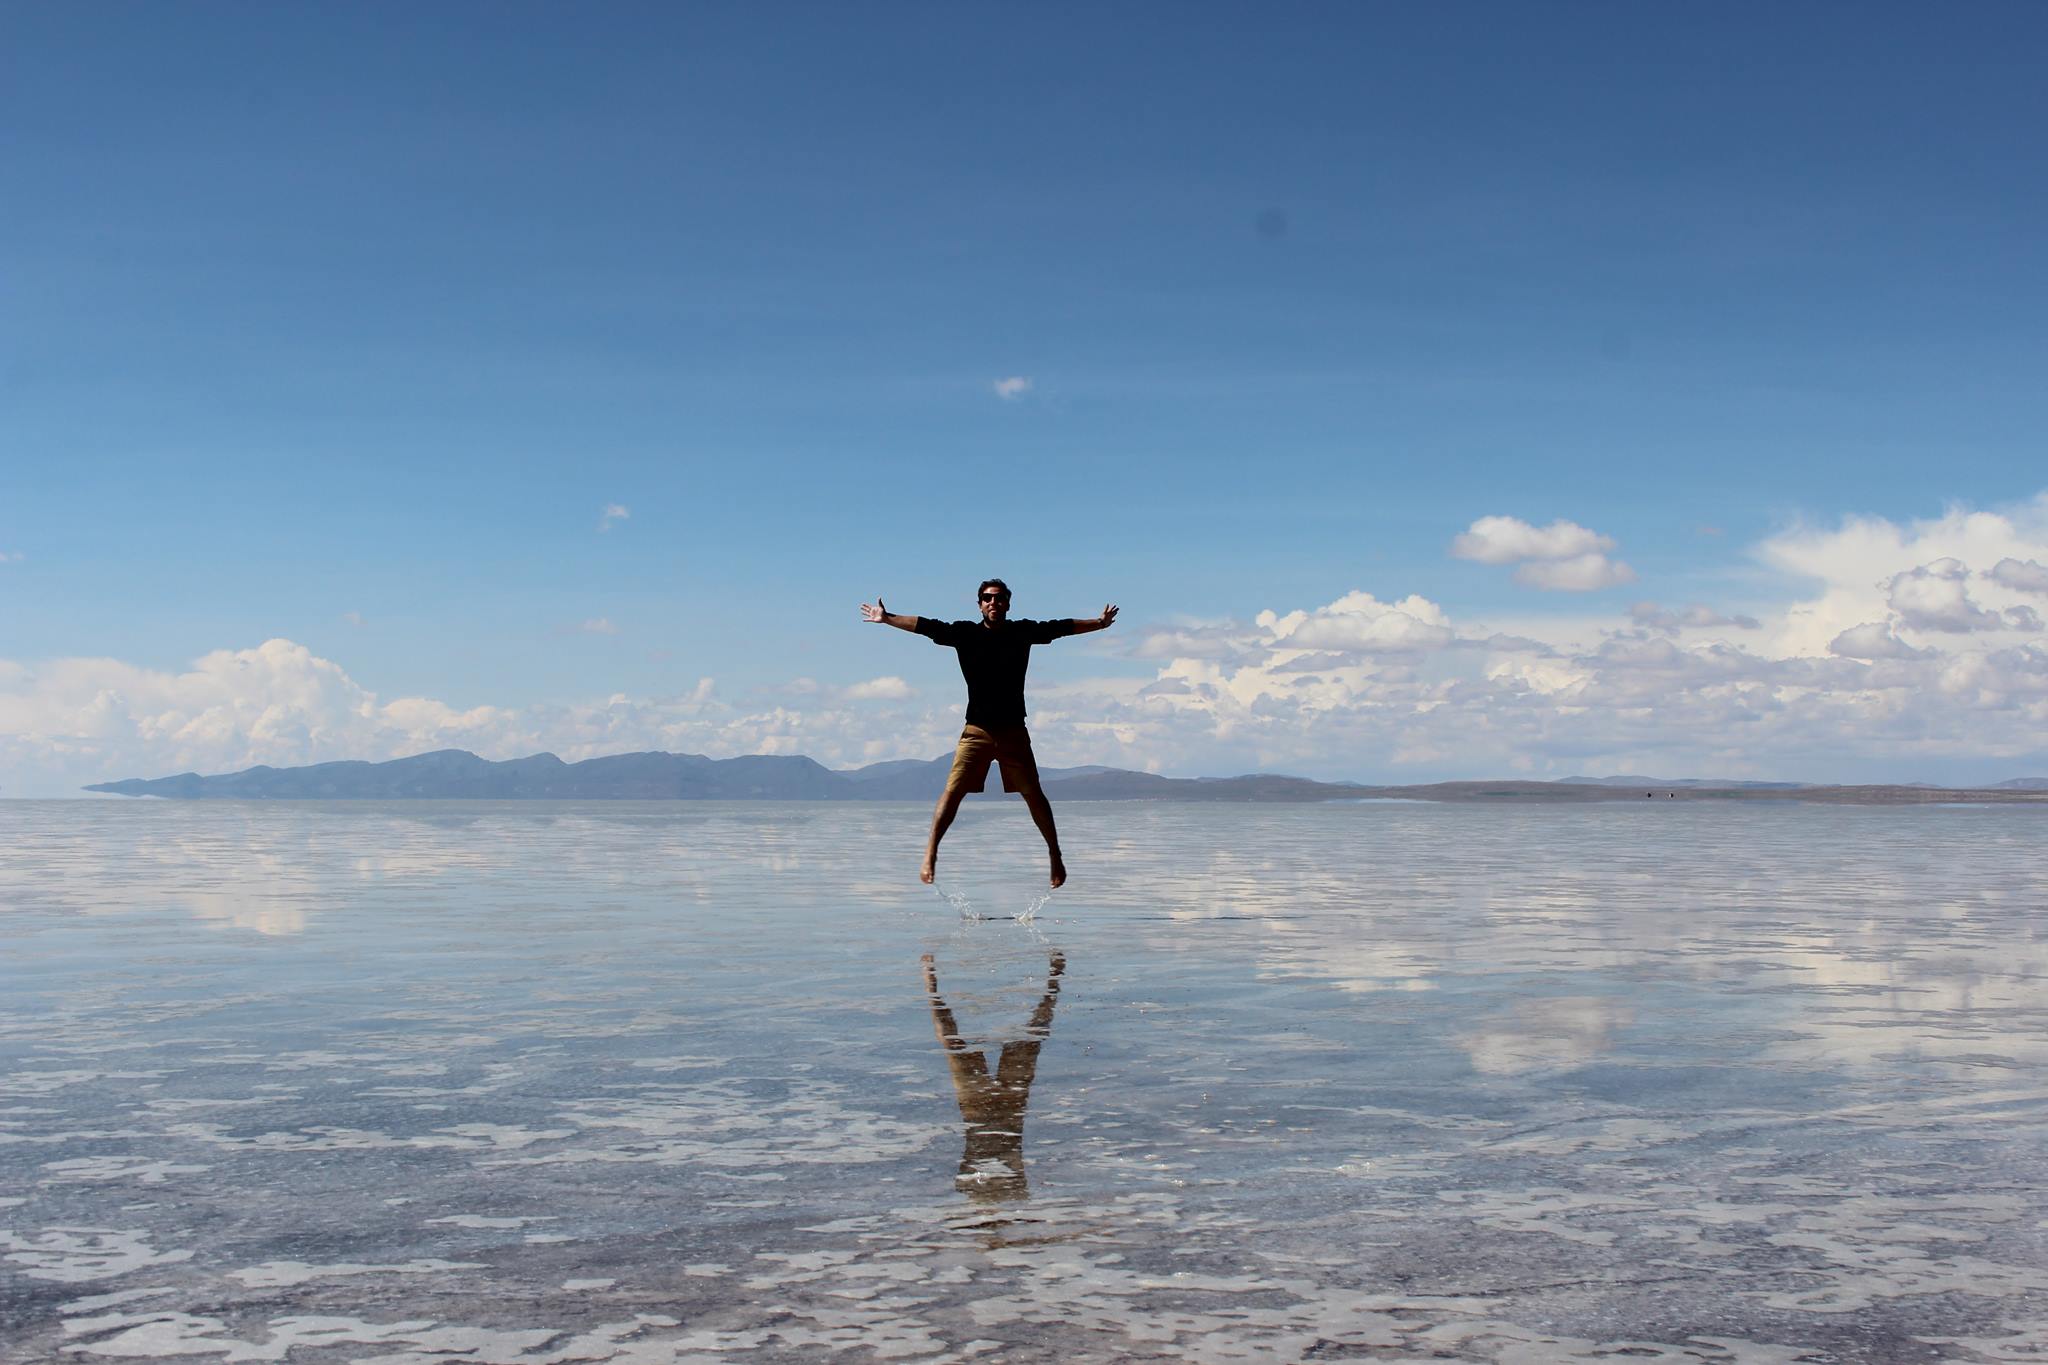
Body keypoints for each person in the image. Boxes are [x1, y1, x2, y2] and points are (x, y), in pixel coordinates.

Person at [860, 578, 1117, 887]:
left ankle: (1055, 855)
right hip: (976, 732)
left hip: (1013, 733)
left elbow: (1060, 627)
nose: (993, 603)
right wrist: (887, 619)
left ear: (1007, 603)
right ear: (979, 604)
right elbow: (927, 626)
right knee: (952, 792)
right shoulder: (965, 634)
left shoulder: (1022, 632)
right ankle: (930, 853)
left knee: (1033, 795)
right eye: (987, 598)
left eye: (998, 598)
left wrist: (1099, 624)